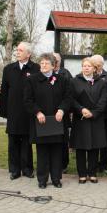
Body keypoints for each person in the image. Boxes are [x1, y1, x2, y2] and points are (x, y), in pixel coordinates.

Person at [23, 53, 71, 189]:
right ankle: (42, 179)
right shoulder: (32, 80)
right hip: (41, 122)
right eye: (41, 63)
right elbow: (27, 100)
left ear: (53, 65)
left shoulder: (62, 79)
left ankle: (56, 178)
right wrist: (37, 112)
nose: (43, 65)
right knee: (42, 151)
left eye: (46, 63)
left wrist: (62, 110)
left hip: (57, 120)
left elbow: (68, 98)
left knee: (57, 150)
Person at [0, 42, 39, 180]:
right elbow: (4, 91)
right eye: (17, 50)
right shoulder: (9, 69)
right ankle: (14, 169)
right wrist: (3, 110)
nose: (17, 52)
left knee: (27, 142)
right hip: (14, 111)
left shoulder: (36, 68)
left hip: (29, 112)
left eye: (20, 50)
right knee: (13, 141)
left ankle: (27, 169)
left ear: (28, 54)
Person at [70, 58, 107, 184]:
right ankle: (82, 174)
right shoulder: (74, 81)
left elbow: (104, 100)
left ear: (94, 68)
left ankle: (92, 173)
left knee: (94, 147)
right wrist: (81, 109)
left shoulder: (101, 82)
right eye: (84, 66)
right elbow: (71, 99)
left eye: (89, 66)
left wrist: (94, 113)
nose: (86, 68)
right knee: (81, 147)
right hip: (80, 118)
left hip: (95, 119)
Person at [90, 54, 107, 173]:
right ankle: (92, 164)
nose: (96, 67)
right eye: (94, 64)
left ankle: (103, 164)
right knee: (93, 139)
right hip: (92, 114)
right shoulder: (89, 76)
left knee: (105, 141)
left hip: (105, 114)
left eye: (98, 64)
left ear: (102, 64)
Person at [53, 52, 73, 174]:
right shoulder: (45, 73)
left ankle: (63, 165)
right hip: (49, 113)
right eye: (53, 59)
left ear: (60, 61)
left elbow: (70, 93)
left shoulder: (66, 73)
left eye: (57, 59)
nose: (55, 61)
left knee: (63, 140)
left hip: (63, 112)